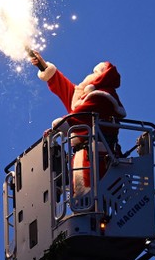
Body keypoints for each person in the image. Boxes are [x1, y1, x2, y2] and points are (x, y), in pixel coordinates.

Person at [28, 50, 126, 194]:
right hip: (86, 157)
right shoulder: (86, 96)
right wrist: (43, 66)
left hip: (99, 159)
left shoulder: (103, 97)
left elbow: (81, 117)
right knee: (84, 201)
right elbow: (64, 87)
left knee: (96, 200)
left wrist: (59, 126)